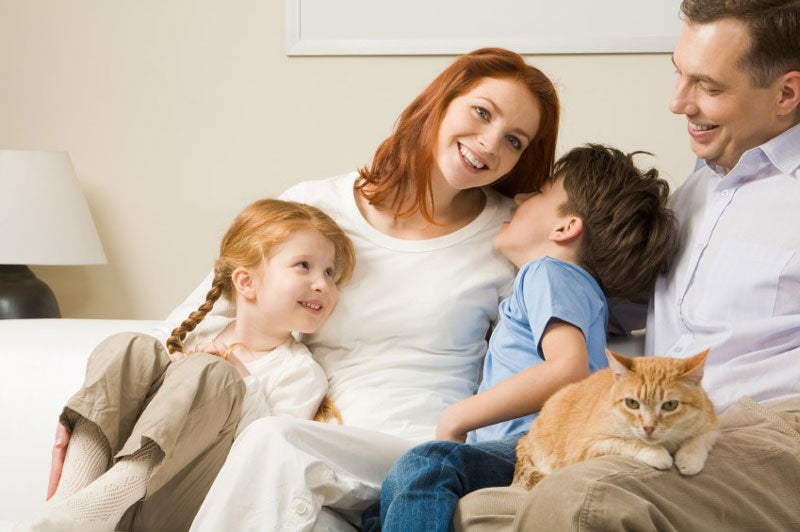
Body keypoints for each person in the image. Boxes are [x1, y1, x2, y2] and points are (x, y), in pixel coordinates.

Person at [150, 48, 562, 531]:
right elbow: (202, 315)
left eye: (514, 140)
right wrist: (99, 419)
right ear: (440, 103)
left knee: (273, 441)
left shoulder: (506, 238)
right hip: (320, 455)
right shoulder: (316, 207)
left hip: (416, 452)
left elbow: (572, 317)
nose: (490, 144)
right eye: (481, 112)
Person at [455, 1, 800, 530]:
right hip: (666, 424)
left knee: (582, 500)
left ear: (787, 93)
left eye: (708, 86)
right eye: (678, 74)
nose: (678, 103)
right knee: (476, 507)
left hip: (770, 428)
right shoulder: (700, 188)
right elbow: (606, 305)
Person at [361, 144, 678, 531]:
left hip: (535, 442)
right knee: (377, 514)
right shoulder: (584, 293)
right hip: (543, 447)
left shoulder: (548, 272)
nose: (522, 196)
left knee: (428, 464)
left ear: (565, 228)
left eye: (541, 192)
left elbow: (569, 368)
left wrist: (457, 416)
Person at [20, 199, 355, 531]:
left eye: (329, 272)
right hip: (113, 500)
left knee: (212, 373)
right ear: (246, 282)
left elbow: (266, 459)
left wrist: (238, 378)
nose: (322, 283)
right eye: (303, 266)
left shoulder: (299, 373)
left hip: (183, 506)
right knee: (131, 346)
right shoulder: (197, 335)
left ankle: (95, 508)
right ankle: (69, 506)